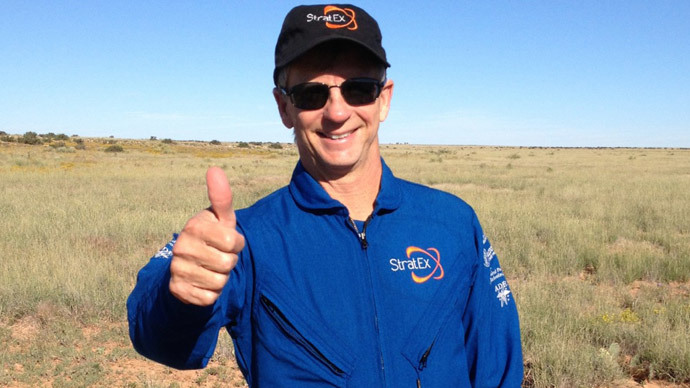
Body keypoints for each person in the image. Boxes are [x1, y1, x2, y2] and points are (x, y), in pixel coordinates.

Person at [127, 4, 523, 387]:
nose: (337, 112)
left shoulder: (452, 222)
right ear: (284, 107)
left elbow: (498, 367)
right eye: (312, 94)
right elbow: (161, 341)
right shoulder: (245, 241)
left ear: (384, 99)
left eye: (358, 89)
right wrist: (177, 296)